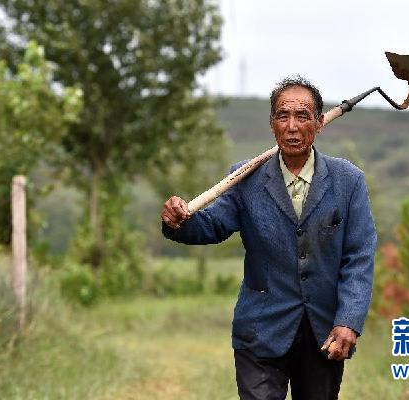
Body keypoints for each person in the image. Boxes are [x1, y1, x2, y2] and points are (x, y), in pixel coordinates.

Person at [161, 76, 377, 400]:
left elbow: (359, 257)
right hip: (260, 331)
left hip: (324, 334)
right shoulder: (246, 178)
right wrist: (179, 220)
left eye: (302, 116)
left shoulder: (348, 181)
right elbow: (212, 225)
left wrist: (348, 320)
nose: (292, 127)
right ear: (272, 123)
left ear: (319, 123)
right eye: (282, 116)